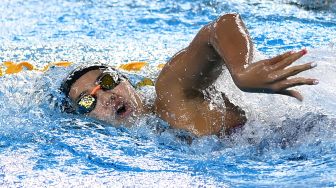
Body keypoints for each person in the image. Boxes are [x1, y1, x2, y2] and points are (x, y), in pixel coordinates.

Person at [60, 13, 318, 137]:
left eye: (106, 82)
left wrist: (243, 71)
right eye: (87, 101)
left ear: (127, 81)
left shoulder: (170, 92)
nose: (107, 97)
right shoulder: (149, 141)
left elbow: (221, 25)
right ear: (85, 119)